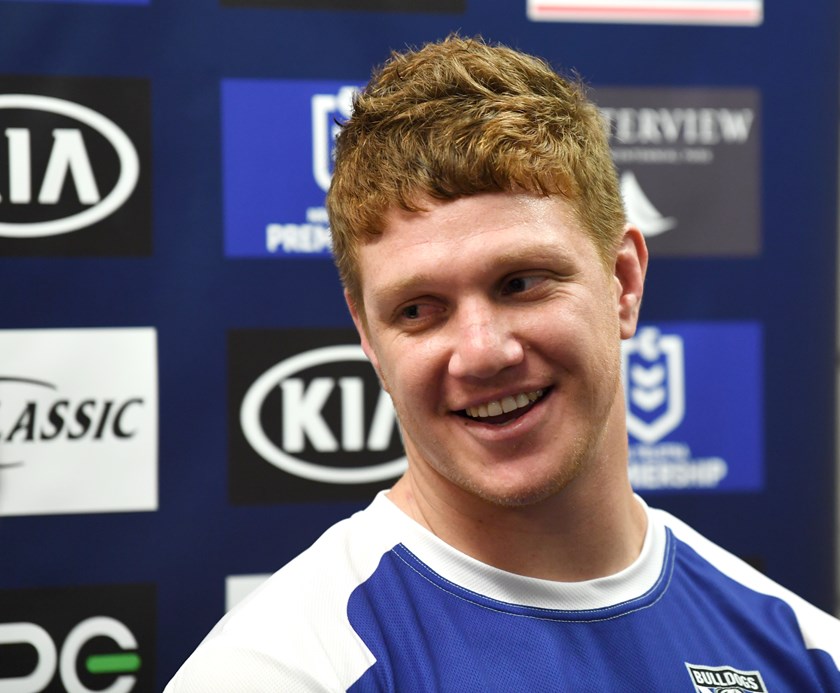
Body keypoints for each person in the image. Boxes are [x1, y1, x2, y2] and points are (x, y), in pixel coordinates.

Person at [166, 35, 840, 691]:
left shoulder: (808, 653)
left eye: (520, 283)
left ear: (623, 282)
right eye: (418, 309)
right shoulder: (281, 671)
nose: (483, 352)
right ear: (368, 335)